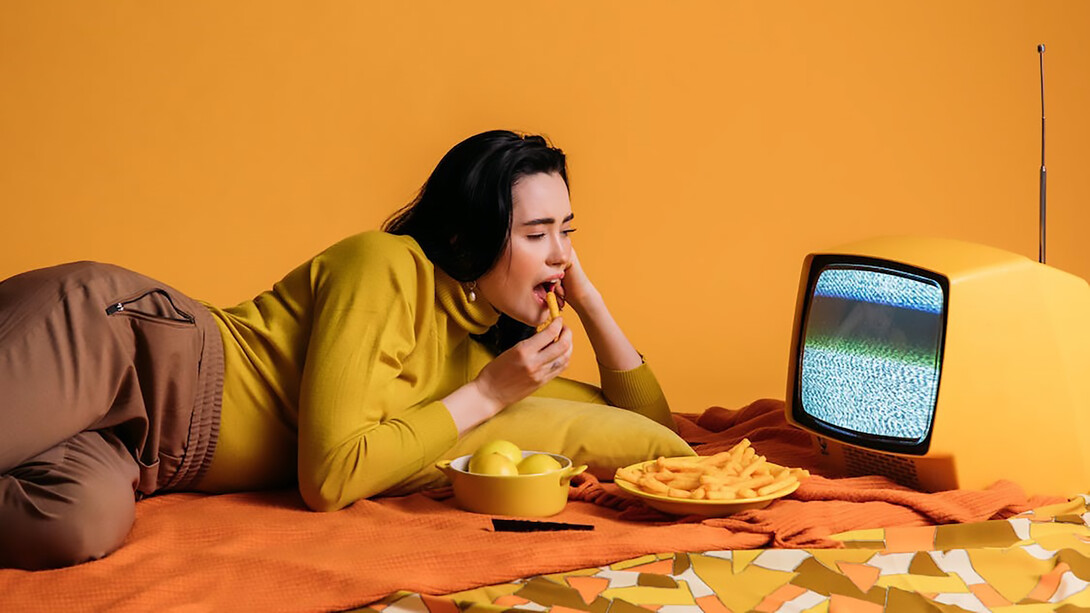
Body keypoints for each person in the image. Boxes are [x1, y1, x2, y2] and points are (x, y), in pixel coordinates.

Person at [0, 130, 678, 570]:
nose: (560, 253)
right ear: (471, 237)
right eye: (537, 233)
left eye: (568, 231)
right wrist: (489, 395)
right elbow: (327, 477)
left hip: (137, 452)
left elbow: (655, 431)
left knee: (76, 524)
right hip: (116, 344)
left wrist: (587, 300)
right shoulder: (383, 267)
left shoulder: (487, 354)